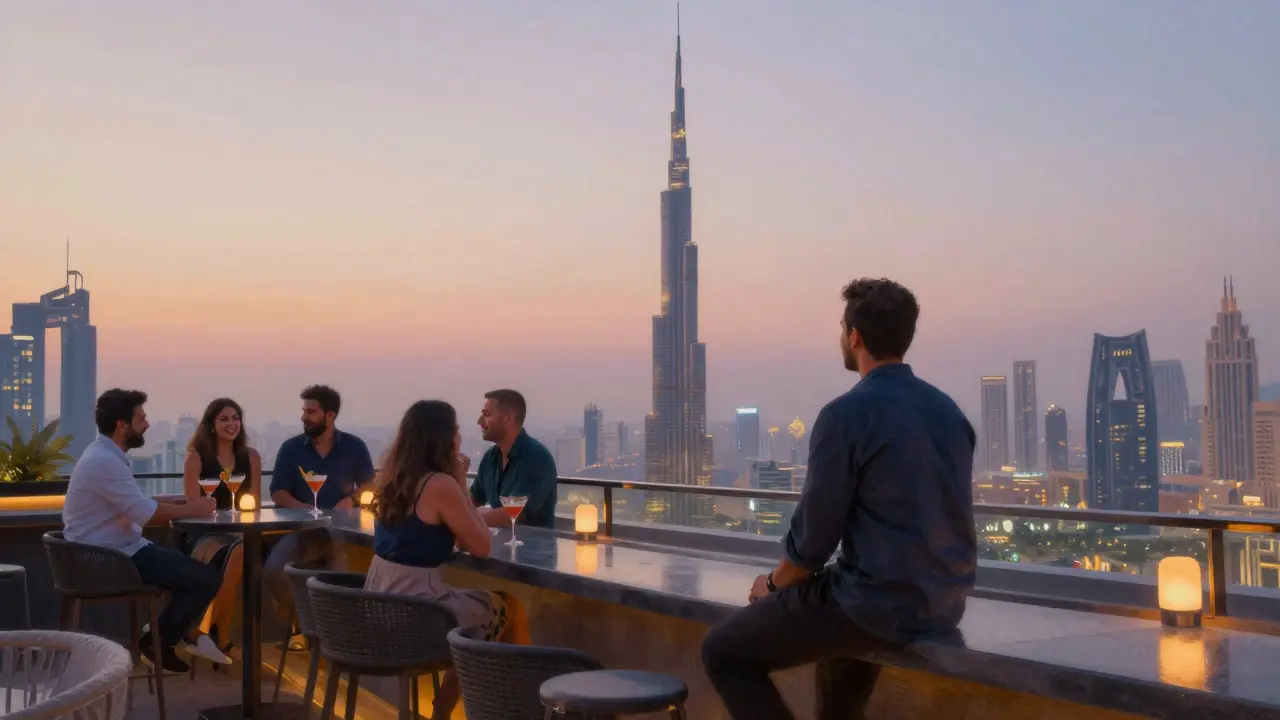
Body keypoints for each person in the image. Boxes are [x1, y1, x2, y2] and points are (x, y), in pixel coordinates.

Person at [701, 278, 977, 720]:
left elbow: (813, 541)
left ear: (854, 336)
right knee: (839, 653)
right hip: (941, 604)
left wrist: (772, 585)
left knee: (722, 650)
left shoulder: (845, 415)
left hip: (875, 604)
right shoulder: (949, 412)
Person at [366, 400, 530, 717]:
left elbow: (442, 532)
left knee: (474, 620)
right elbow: (481, 546)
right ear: (442, 437)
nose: (459, 434)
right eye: (455, 429)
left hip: (381, 602)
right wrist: (458, 478)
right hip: (417, 612)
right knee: (509, 608)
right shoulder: (439, 483)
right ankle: (518, 708)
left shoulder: (394, 479)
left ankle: (446, 709)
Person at [63, 389, 231, 673]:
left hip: (118, 549)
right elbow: (148, 515)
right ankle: (159, 640)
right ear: (122, 424)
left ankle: (180, 632)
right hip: (109, 559)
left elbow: (135, 504)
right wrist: (195, 509)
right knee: (205, 579)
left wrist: (180, 502)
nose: (147, 424)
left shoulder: (105, 454)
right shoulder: (104, 461)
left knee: (194, 565)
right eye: (141, 418)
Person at [263, 385, 375, 638]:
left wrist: (351, 500)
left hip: (342, 531)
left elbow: (370, 485)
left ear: (330, 415)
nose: (304, 417)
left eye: (311, 411)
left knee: (342, 579)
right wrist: (304, 509)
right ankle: (304, 624)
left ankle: (337, 638)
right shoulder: (291, 449)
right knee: (273, 571)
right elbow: (278, 491)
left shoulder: (354, 447)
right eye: (304, 411)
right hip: (303, 530)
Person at [181, 398, 262, 655]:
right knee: (240, 552)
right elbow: (194, 507)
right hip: (203, 534)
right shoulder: (196, 459)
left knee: (240, 549)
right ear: (212, 425)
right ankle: (221, 636)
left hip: (240, 533)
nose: (232, 424)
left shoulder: (251, 457)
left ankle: (203, 629)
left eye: (235, 418)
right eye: (224, 419)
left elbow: (256, 504)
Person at [470, 389, 558, 529]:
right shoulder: (490, 457)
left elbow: (512, 514)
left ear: (508, 418)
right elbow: (473, 500)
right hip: (499, 545)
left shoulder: (536, 458)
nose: (480, 421)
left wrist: (465, 520)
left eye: (486, 415)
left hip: (534, 548)